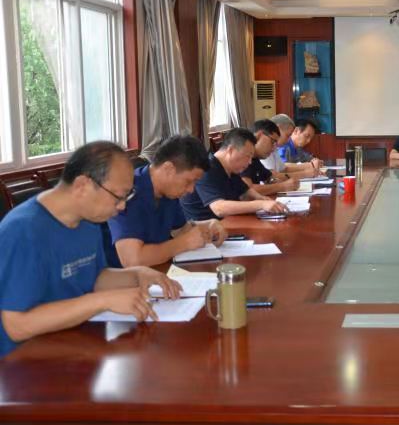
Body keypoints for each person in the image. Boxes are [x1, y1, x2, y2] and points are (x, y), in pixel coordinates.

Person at [0, 141, 181, 357]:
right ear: (82, 185)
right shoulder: (24, 231)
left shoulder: (88, 220)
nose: (123, 206)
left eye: (128, 195)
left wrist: (136, 275)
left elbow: (92, 277)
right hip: (25, 360)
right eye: (118, 196)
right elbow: (16, 325)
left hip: (74, 345)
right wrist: (102, 301)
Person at [108, 135, 228, 267]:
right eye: (189, 181)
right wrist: (183, 243)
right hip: (122, 276)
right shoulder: (128, 191)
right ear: (168, 169)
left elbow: (181, 230)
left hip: (159, 269)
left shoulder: (169, 192)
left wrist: (208, 225)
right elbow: (132, 260)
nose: (191, 190)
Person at [180, 128, 288, 220]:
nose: (250, 162)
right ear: (231, 150)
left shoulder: (231, 168)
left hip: (228, 223)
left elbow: (245, 192)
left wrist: (263, 199)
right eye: (247, 156)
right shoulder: (207, 169)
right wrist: (261, 204)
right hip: (208, 230)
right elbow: (219, 208)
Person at [242, 119, 300, 196]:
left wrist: (274, 181)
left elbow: (269, 177)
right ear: (259, 135)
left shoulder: (255, 159)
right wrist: (282, 186)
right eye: (272, 142)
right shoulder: (242, 155)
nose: (274, 148)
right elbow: (248, 191)